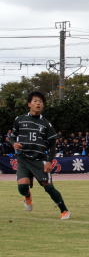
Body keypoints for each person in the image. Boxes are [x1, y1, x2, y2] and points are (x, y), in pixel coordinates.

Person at [10, 91, 71, 220]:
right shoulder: (19, 119)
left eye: (40, 102)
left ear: (43, 106)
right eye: (35, 101)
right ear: (29, 104)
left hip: (40, 161)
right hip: (23, 159)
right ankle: (27, 197)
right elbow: (12, 136)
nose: (38, 103)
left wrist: (49, 161)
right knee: (22, 187)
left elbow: (53, 146)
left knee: (48, 188)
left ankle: (64, 211)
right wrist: (14, 143)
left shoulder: (46, 124)